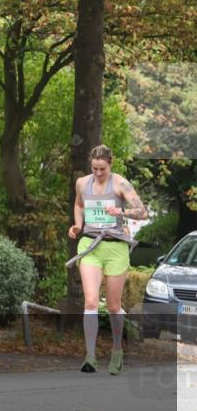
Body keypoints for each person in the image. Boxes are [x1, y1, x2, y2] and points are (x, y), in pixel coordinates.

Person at [68, 144, 147, 375]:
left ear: (110, 165)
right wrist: (77, 225)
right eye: (95, 169)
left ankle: (116, 350)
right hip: (90, 245)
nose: (98, 173)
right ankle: (90, 357)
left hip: (115, 247)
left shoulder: (120, 183)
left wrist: (122, 213)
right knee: (91, 301)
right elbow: (79, 204)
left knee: (113, 306)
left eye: (102, 169)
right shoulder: (83, 183)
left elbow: (143, 212)